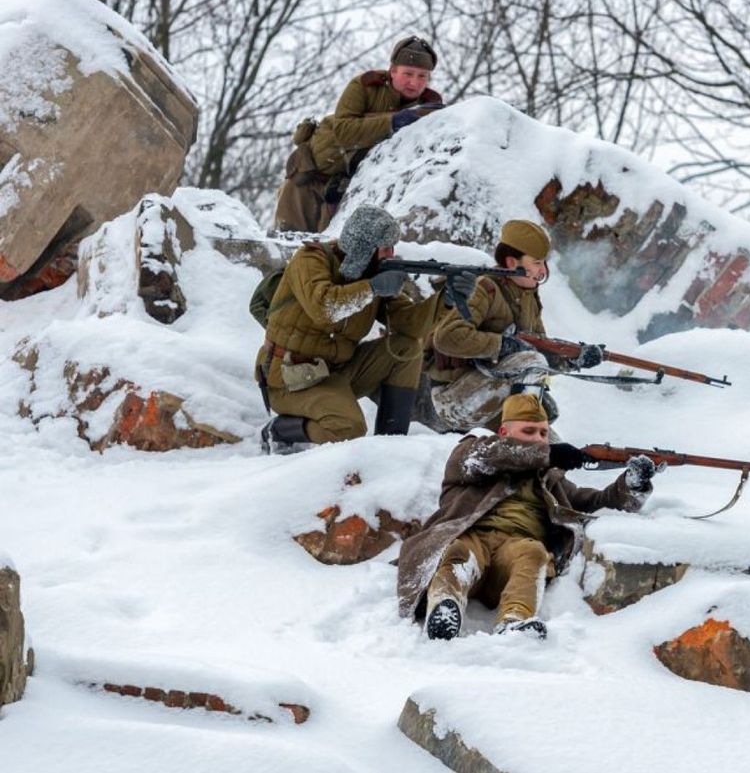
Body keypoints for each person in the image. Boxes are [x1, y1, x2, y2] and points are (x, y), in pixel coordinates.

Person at [395, 394, 657, 639]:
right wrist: (549, 454)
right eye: (528, 431)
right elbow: (497, 454)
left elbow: (597, 503)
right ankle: (443, 608)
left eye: (543, 433)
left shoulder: (551, 479)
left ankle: (514, 621)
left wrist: (631, 485)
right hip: (473, 538)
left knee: (534, 553)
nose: (538, 439)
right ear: (504, 432)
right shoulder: (473, 453)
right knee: (458, 551)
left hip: (516, 549)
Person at [256, 205, 438, 453]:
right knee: (348, 428)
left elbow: (410, 324)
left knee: (406, 348)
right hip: (291, 378)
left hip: (337, 372)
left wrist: (448, 300)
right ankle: (278, 431)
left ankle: (390, 446)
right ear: (364, 247)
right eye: (385, 248)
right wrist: (372, 288)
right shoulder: (311, 259)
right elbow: (325, 307)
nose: (391, 254)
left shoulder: (371, 273)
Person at [427, 219, 603, 432]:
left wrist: (575, 360)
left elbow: (540, 351)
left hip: (496, 402)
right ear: (512, 263)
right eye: (537, 263)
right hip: (455, 401)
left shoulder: (527, 295)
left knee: (551, 451)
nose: (543, 271)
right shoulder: (485, 287)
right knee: (531, 361)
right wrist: (503, 345)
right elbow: (447, 337)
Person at [273, 36, 445, 233]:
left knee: (331, 252)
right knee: (288, 241)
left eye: (422, 76)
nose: (414, 82)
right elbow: (344, 130)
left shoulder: (430, 108)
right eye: (408, 74)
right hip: (309, 178)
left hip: (350, 190)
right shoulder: (365, 86)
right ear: (393, 70)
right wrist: (393, 121)